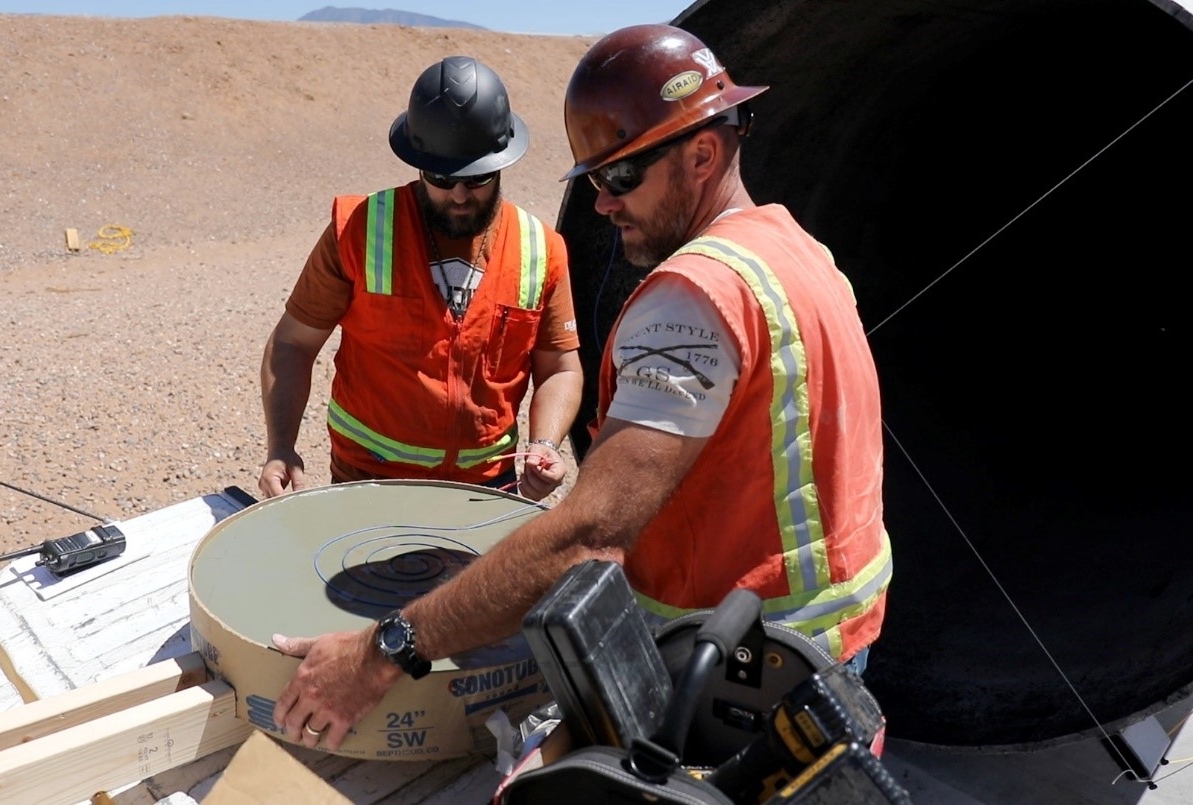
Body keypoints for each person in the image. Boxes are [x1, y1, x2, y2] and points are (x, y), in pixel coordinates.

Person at [270, 25, 893, 752]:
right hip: (822, 648)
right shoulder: (797, 249)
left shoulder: (695, 297)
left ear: (702, 154)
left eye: (620, 176)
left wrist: (382, 653)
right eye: (594, 180)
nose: (601, 204)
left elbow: (588, 534)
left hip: (747, 669)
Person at [257, 56, 583, 502]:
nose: (460, 195)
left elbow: (560, 367)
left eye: (479, 177)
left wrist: (545, 444)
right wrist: (281, 446)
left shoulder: (541, 248)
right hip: (367, 480)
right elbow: (293, 342)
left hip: (487, 490)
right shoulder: (358, 229)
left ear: (503, 161)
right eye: (442, 178)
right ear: (418, 163)